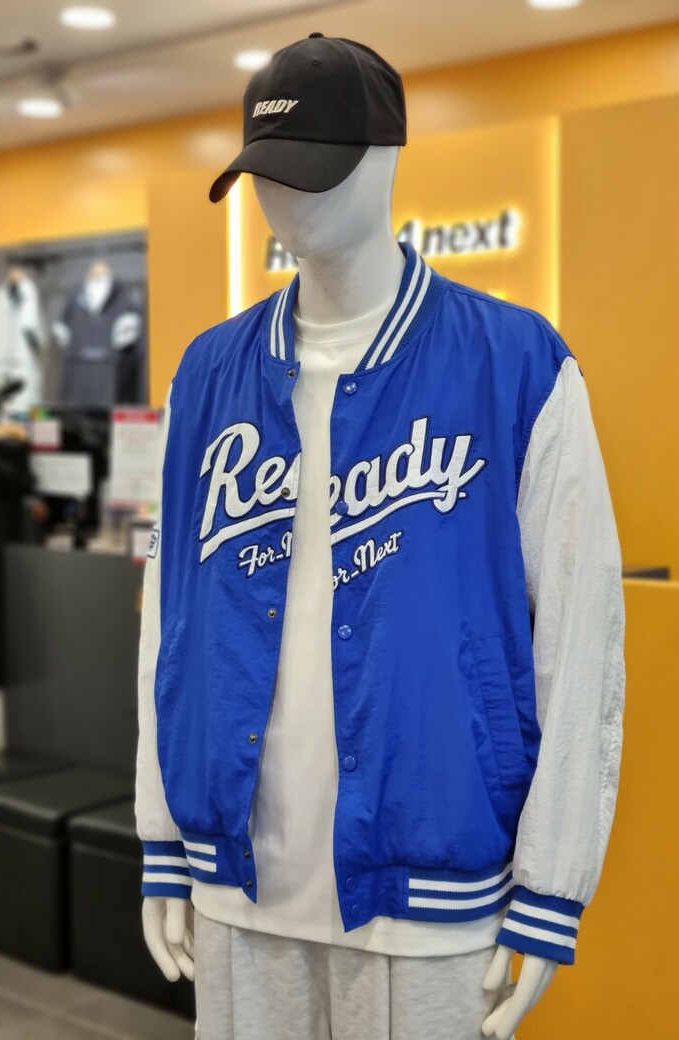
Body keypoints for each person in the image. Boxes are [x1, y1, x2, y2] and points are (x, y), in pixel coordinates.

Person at [135, 34, 625, 1040]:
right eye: (267, 171)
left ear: (386, 159)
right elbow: (164, 624)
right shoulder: (207, 375)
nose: (285, 199)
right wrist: (161, 835)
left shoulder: (516, 364)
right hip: (236, 876)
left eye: (310, 166)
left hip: (432, 885)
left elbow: (582, 645)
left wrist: (553, 882)